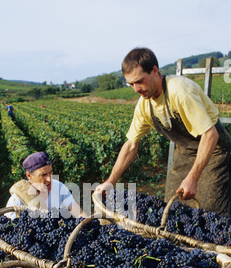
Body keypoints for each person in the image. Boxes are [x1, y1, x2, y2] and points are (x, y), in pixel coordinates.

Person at [95, 47, 231, 217]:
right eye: (131, 84)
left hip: (215, 150)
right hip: (186, 151)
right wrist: (110, 181)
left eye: (139, 81)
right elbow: (131, 145)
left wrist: (193, 178)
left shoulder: (180, 91)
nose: (136, 89)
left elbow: (211, 134)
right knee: (172, 210)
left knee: (212, 211)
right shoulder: (144, 105)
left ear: (154, 70)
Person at [6, 151, 86, 219]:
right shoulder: (18, 199)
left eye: (50, 172)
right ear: (29, 176)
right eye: (43, 175)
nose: (49, 179)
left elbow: (79, 213)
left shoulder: (58, 187)